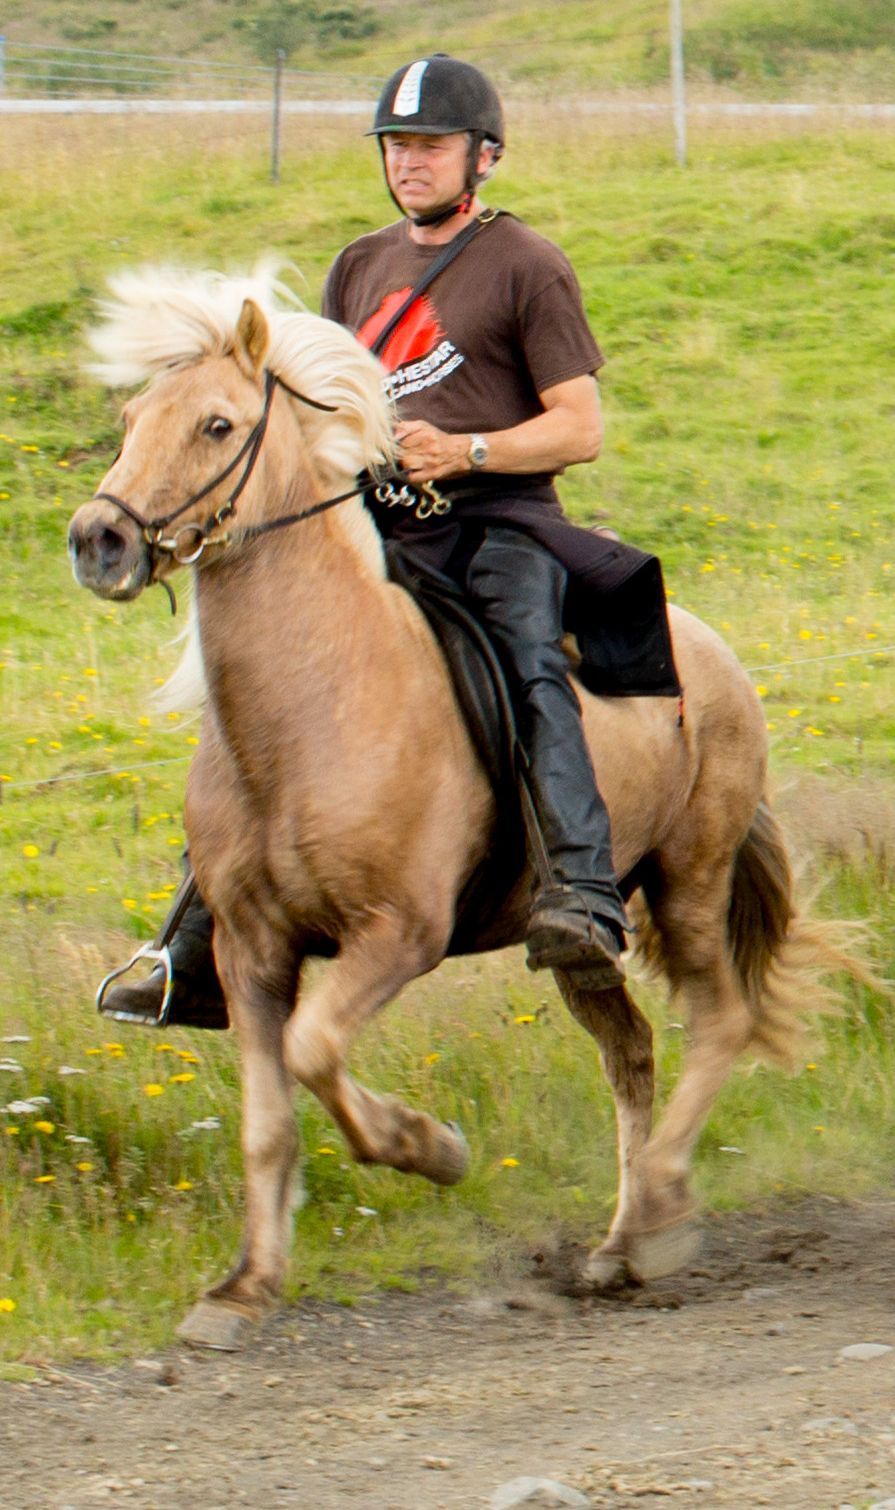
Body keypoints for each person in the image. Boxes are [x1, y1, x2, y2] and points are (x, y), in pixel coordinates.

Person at [98, 55, 660, 1028]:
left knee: (527, 659)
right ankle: (191, 940)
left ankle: (581, 892)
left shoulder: (529, 265)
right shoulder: (359, 265)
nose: (410, 164)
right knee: (264, 684)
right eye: (397, 147)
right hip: (382, 522)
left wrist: (468, 448)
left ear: (482, 157)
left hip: (503, 522)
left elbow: (582, 426)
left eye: (430, 147)